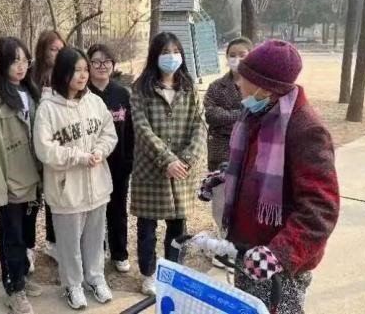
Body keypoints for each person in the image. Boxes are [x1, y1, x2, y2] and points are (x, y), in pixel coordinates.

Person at [219, 40, 339, 313]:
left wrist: (280, 253)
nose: (239, 84)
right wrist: (223, 176)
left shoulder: (305, 129)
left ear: (265, 87)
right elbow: (255, 170)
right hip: (247, 249)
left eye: (244, 79)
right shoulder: (257, 113)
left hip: (278, 265)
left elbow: (321, 207)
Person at [33, 47, 118, 310]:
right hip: (66, 189)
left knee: (95, 238)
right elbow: (45, 149)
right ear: (63, 72)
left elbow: (108, 132)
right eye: (76, 70)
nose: (83, 76)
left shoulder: (94, 102)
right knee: (69, 244)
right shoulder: (48, 108)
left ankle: (95, 278)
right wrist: (78, 156)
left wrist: (100, 150)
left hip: (97, 184)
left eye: (84, 70)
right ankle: (73, 285)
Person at [130, 32, 207, 297]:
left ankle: (173, 273)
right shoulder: (140, 88)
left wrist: (185, 159)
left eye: (175, 51)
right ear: (155, 55)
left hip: (182, 172)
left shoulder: (189, 87)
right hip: (150, 171)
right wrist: (167, 160)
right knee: (147, 228)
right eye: (165, 52)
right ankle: (149, 274)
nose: (171, 57)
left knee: (177, 228)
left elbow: (200, 125)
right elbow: (142, 129)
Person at [0, 37, 43, 314]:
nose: (21, 66)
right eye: (15, 60)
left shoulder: (31, 92)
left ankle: (21, 278)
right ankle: (14, 289)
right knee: (12, 236)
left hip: (33, 179)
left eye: (25, 60)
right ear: (1, 62)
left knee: (26, 234)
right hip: (8, 182)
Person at [200, 37, 252, 270]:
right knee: (220, 203)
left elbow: (256, 116)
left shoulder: (258, 88)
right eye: (232, 55)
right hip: (220, 151)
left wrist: (229, 116)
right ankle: (222, 249)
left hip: (248, 155)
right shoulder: (216, 87)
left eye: (242, 54)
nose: (236, 59)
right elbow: (212, 115)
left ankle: (240, 249)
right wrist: (241, 114)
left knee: (244, 204)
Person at [87, 43, 134, 274]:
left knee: (118, 209)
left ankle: (119, 253)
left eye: (106, 61)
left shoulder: (122, 94)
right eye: (96, 61)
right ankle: (97, 251)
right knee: (93, 213)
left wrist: (129, 159)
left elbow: (130, 130)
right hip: (91, 164)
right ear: (88, 65)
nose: (101, 66)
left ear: (113, 65)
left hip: (118, 164)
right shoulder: (83, 93)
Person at [30, 30, 66, 264]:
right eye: (53, 49)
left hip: (60, 142)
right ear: (43, 51)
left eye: (61, 49)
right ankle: (29, 246)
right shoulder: (31, 74)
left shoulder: (67, 72)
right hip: (34, 142)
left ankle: (54, 241)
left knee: (57, 195)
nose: (57, 54)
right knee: (34, 198)